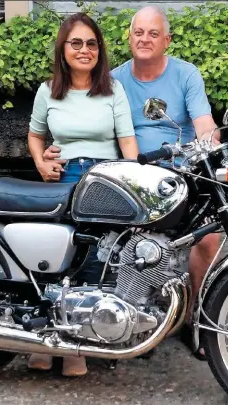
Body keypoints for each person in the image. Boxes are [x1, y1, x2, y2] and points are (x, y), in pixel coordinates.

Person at [43, 6, 221, 361]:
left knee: (210, 239)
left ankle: (194, 319)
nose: (145, 39)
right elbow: (80, 117)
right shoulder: (114, 78)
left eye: (153, 33)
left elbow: (203, 121)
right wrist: (50, 151)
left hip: (180, 173)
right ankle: (136, 318)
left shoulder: (186, 74)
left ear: (166, 40)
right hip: (133, 173)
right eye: (139, 32)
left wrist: (212, 143)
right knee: (126, 245)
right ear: (129, 36)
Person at [26, 12, 139, 376]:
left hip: (103, 180)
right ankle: (45, 337)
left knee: (92, 259)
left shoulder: (112, 90)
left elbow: (127, 141)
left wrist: (132, 176)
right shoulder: (48, 90)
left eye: (91, 43)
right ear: (63, 48)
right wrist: (41, 164)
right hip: (62, 179)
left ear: (99, 50)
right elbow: (35, 135)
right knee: (56, 256)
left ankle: (76, 345)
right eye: (76, 42)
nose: (85, 49)